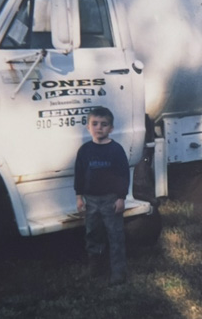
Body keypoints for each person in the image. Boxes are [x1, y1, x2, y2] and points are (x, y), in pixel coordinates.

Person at [74, 107, 130, 285]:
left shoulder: (116, 150)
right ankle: (95, 268)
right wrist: (79, 197)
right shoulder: (84, 150)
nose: (99, 128)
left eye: (104, 125)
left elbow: (123, 175)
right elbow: (79, 174)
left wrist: (121, 198)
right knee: (93, 234)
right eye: (95, 124)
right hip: (91, 201)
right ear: (88, 127)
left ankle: (118, 273)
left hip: (110, 200)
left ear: (111, 128)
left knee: (115, 236)